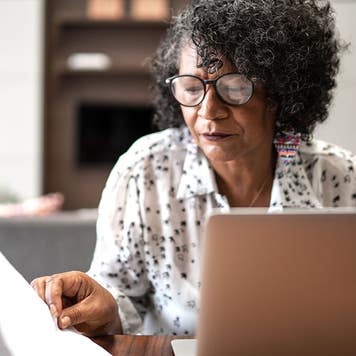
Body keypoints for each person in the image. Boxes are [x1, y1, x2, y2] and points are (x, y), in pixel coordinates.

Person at [32, 0, 356, 337]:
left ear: (281, 93)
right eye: (191, 88)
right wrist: (101, 305)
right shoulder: (145, 171)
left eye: (234, 89)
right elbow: (120, 299)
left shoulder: (340, 177)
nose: (208, 111)